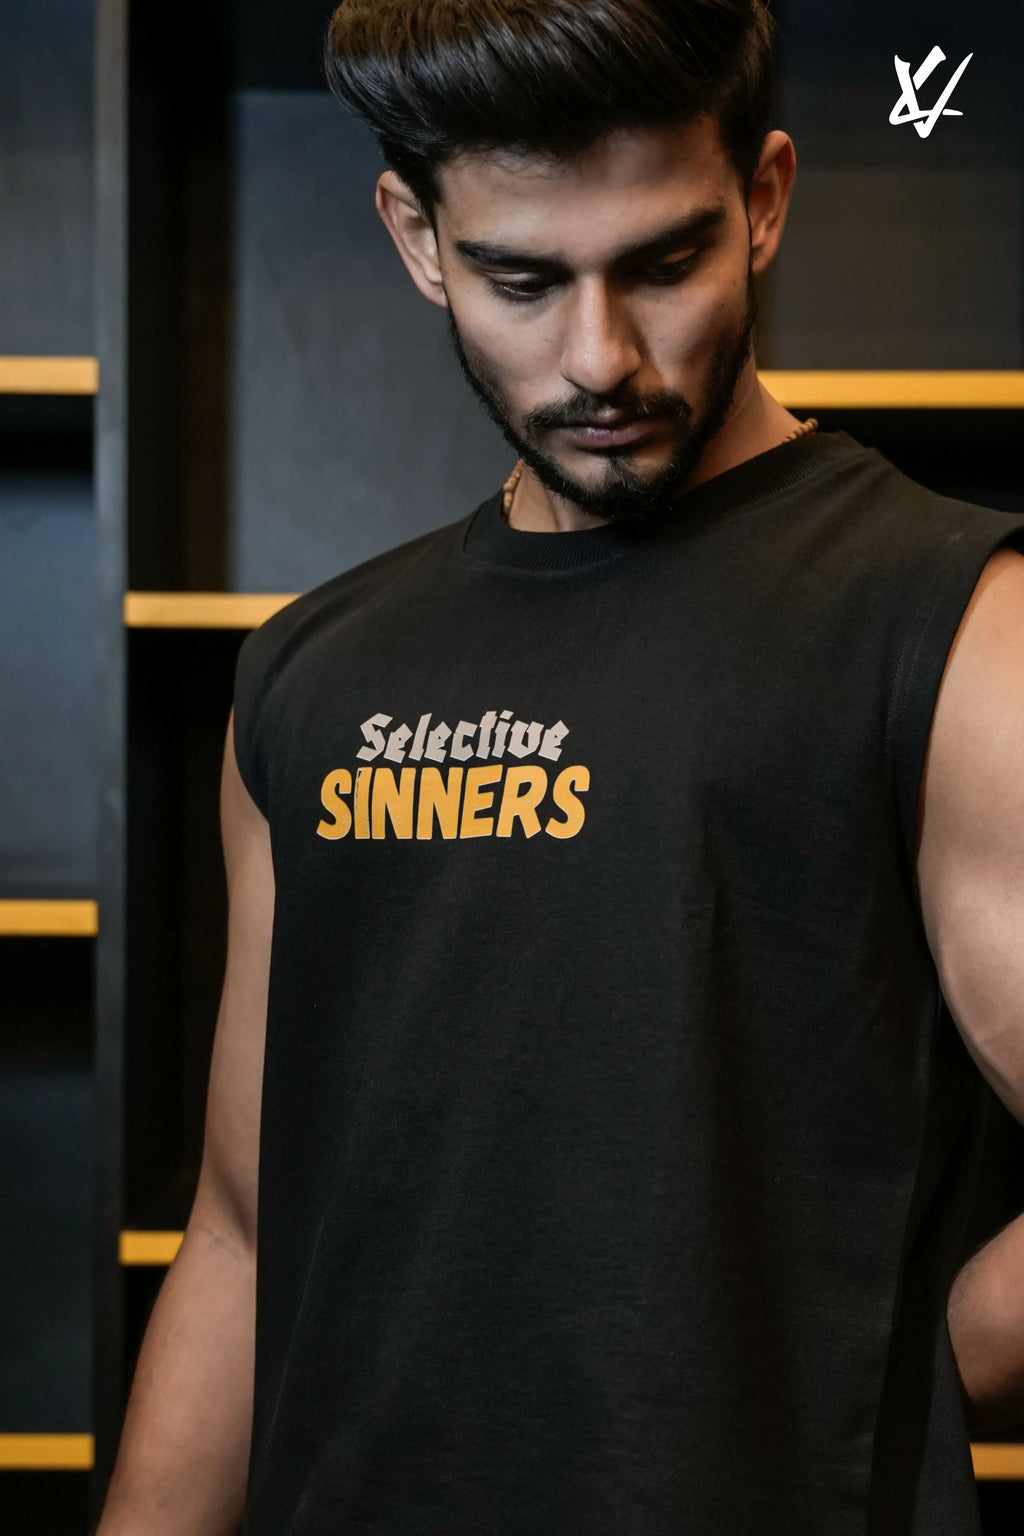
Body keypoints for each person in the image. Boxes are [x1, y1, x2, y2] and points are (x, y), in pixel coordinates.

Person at [96, 3, 1024, 1533]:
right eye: (523, 280)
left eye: (664, 262)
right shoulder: (314, 675)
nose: (602, 357)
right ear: (418, 238)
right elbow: (247, 1234)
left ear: (764, 201)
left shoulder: (946, 626)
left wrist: (881, 1381)